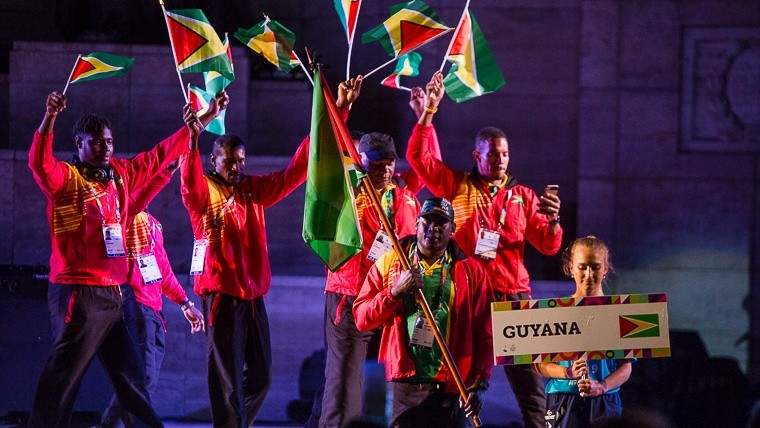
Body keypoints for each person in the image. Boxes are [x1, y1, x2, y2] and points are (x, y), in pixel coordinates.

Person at [27, 90, 222, 428]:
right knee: (62, 381)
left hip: (116, 295)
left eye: (109, 142)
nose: (105, 149)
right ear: (79, 144)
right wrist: (49, 118)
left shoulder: (119, 175)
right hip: (80, 293)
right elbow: (38, 164)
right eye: (97, 143)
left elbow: (161, 154)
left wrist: (202, 120)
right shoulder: (66, 180)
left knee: (133, 382)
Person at [180, 76, 362, 427]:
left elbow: (296, 170)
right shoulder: (205, 194)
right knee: (227, 382)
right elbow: (189, 188)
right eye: (229, 161)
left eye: (241, 160)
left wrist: (339, 110)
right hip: (221, 297)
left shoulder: (252, 190)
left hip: (252, 299)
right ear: (214, 161)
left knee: (261, 380)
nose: (236, 167)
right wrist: (192, 139)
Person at [405, 71, 563, 428]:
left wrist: (553, 222)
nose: (501, 162)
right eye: (493, 155)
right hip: (469, 297)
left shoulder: (523, 196)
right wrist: (428, 113)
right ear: (477, 155)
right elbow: (419, 159)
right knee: (459, 382)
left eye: (505, 155)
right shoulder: (458, 186)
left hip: (514, 298)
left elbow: (548, 246)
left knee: (531, 390)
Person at [305, 87, 442, 428]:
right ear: (361, 162)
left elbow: (429, 164)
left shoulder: (404, 195)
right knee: (343, 385)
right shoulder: (346, 195)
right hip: (351, 296)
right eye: (376, 164)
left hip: (394, 296)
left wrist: (426, 117)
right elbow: (323, 153)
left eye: (389, 163)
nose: (383, 170)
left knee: (400, 379)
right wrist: (340, 109)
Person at [353, 197, 493, 428]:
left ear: (452, 229)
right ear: (416, 222)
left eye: (441, 223)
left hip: (451, 388)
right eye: (427, 221)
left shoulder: (472, 271)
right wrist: (394, 292)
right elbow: (361, 317)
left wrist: (479, 383)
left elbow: (485, 334)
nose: (433, 229)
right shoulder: (390, 262)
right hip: (400, 386)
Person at [97, 162, 205, 427]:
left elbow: (163, 271)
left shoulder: (154, 225)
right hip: (132, 308)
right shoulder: (121, 217)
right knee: (141, 379)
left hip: (155, 312)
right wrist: (166, 171)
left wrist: (184, 302)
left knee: (145, 381)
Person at [532, 236, 634, 428]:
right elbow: (538, 364)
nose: (588, 274)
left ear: (605, 268)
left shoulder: (618, 312)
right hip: (562, 401)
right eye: (582, 267)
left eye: (595, 266)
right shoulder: (555, 311)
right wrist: (567, 372)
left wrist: (601, 386)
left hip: (605, 402)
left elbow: (626, 367)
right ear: (570, 267)